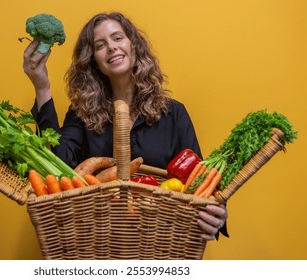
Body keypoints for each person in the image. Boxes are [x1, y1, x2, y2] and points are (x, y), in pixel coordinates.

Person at [23, 12, 228, 241]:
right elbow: (57, 167)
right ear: (94, 62)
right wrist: (42, 88)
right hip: (97, 242)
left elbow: (199, 183)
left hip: (163, 242)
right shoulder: (81, 115)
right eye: (100, 45)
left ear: (134, 46)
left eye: (117, 38)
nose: (111, 47)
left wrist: (218, 217)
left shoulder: (174, 113)